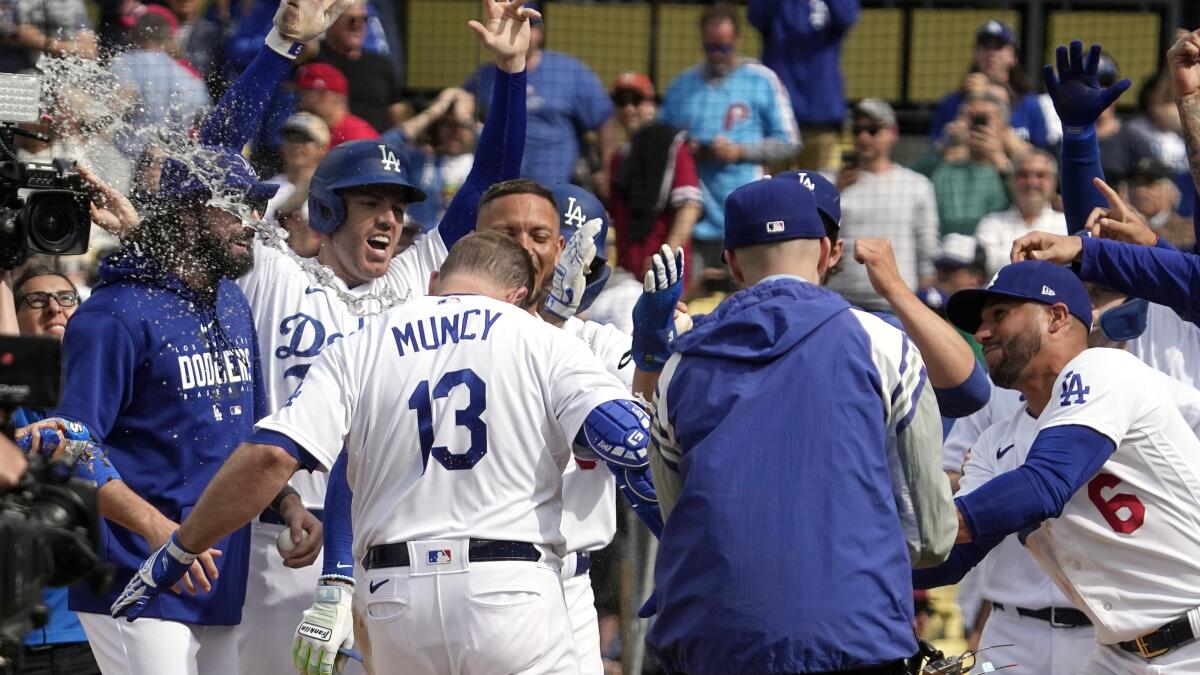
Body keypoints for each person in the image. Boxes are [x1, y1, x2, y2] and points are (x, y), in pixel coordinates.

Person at [108, 230, 657, 675]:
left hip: (396, 600)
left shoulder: (364, 339)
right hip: (510, 590)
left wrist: (179, 551)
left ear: (436, 280)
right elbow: (628, 441)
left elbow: (271, 457)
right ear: (519, 294)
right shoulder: (544, 339)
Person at [645, 177, 955, 673]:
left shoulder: (679, 366)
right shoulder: (882, 343)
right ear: (828, 250)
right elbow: (932, 536)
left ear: (730, 263)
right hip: (856, 636)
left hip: (714, 642)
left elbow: (676, 516)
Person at [914, 259, 1200, 672]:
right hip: (1119, 653)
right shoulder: (997, 441)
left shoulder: (1105, 369)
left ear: (1057, 317)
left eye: (1000, 315)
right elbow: (953, 557)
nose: (981, 333)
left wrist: (933, 526)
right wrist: (855, 565)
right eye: (980, 322)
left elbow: (1044, 484)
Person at [4, 265, 102, 674]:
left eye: (66, 299)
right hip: (14, 633)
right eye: (35, 300)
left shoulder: (102, 393)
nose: (53, 309)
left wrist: (74, 444)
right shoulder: (7, 403)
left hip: (89, 631)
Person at [659, 2, 801, 271]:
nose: (717, 55)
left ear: (737, 38)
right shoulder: (681, 86)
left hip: (746, 218)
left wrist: (739, 152)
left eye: (724, 47)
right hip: (692, 221)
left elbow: (790, 142)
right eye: (711, 47)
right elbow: (663, 143)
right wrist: (689, 149)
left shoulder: (762, 79)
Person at [464, 1, 613, 186]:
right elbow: (463, 114)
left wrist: (606, 169)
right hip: (499, 189)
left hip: (556, 190)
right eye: (513, 23)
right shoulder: (484, 77)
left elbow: (604, 118)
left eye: (529, 24)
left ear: (541, 31)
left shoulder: (569, 70)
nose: (520, 29)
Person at [826, 98, 939, 311]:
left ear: (893, 133)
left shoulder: (917, 185)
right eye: (857, 130)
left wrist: (923, 306)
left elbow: (928, 251)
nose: (863, 136)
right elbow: (817, 235)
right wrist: (833, 192)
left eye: (872, 129)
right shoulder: (830, 182)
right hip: (840, 303)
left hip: (897, 304)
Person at [606, 71, 702, 281]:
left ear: (652, 105)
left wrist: (666, 256)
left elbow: (690, 206)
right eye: (621, 101)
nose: (629, 108)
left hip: (664, 273)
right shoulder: (619, 158)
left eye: (636, 100)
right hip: (628, 271)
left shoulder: (673, 147)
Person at [748, 0, 859, 171]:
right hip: (777, 119)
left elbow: (846, 17)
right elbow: (757, 17)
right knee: (774, 193)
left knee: (820, 191)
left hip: (821, 116)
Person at [929, 20, 1047, 148]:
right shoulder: (952, 102)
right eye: (985, 46)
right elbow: (934, 150)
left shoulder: (1029, 103)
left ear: (1013, 57)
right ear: (975, 54)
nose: (991, 53)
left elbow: (1042, 154)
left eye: (998, 46)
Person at [110, 11, 212, 158]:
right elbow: (205, 121)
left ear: (132, 35)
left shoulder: (125, 63)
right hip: (171, 163)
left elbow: (117, 105)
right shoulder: (190, 78)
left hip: (127, 159)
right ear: (168, 39)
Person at [911, 91, 1013, 237]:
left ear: (1003, 128)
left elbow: (1028, 202)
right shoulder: (943, 167)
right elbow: (907, 179)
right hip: (947, 252)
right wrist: (944, 144)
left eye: (983, 119)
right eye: (970, 118)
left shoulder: (1015, 169)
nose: (976, 125)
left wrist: (1000, 162)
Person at [311, 0, 406, 132]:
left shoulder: (382, 64)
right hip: (328, 147)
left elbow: (396, 113)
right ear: (331, 19)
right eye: (352, 19)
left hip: (375, 146)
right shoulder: (313, 57)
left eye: (365, 19)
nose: (359, 25)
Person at [974, 149, 1067, 275]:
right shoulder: (991, 224)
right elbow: (985, 270)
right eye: (1023, 175)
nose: (1032, 182)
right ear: (1011, 181)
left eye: (1040, 175)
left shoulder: (1065, 224)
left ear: (1054, 182)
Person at [294, 62, 379, 148]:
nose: (299, 101)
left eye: (304, 93)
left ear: (323, 95)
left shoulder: (356, 137)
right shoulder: (327, 131)